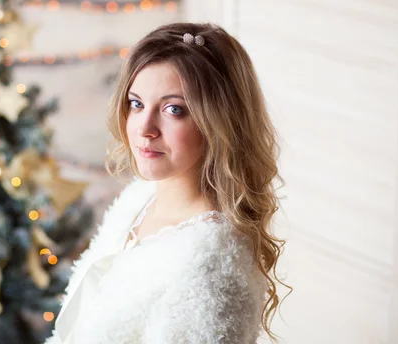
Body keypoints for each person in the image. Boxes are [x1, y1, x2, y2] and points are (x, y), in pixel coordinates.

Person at [44, 22, 290, 344]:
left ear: (219, 121)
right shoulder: (140, 198)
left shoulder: (208, 269)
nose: (145, 128)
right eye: (136, 104)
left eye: (174, 109)